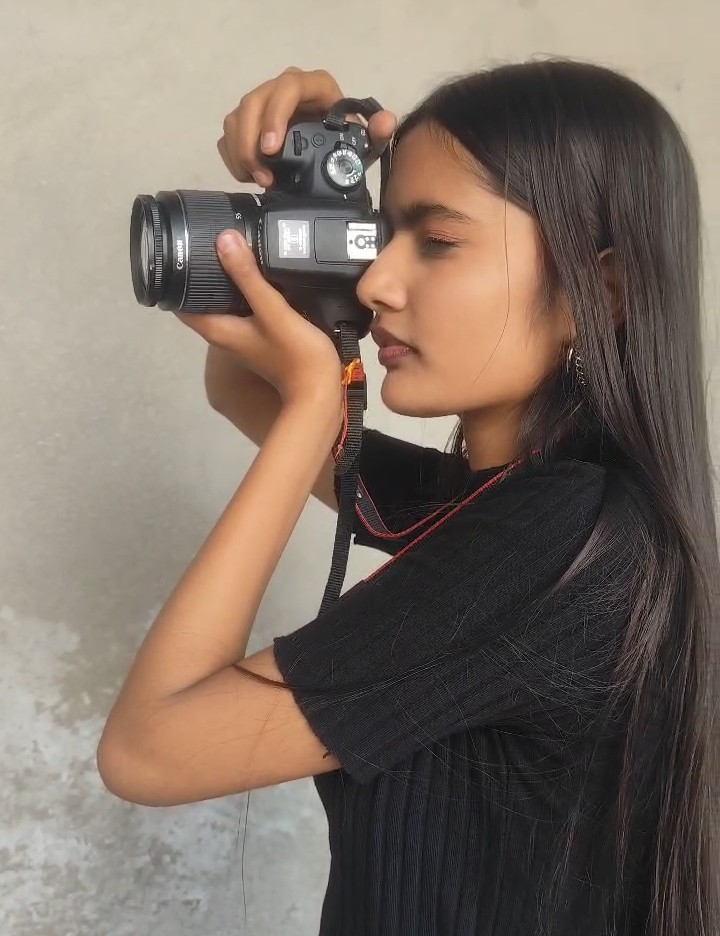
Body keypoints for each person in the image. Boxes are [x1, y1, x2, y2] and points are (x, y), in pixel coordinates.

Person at [96, 63, 720, 936]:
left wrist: (315, 402)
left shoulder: (558, 540)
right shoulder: (511, 508)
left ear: (601, 292)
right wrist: (300, 195)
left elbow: (149, 749)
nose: (375, 283)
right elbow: (241, 390)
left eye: (437, 241)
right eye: (382, 235)